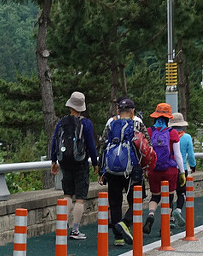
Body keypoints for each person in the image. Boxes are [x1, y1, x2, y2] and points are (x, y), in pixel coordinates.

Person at [49, 91, 99, 240]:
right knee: (80, 197)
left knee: (67, 195)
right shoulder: (86, 123)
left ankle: (63, 225)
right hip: (80, 163)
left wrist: (54, 161)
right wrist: (95, 163)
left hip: (65, 162)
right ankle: (75, 230)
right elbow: (91, 145)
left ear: (70, 106)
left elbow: (54, 142)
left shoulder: (61, 122)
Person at [98, 97, 145, 245]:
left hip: (112, 169)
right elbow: (146, 145)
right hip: (133, 169)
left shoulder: (111, 123)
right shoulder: (137, 123)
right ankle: (126, 223)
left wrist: (101, 171)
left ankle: (118, 237)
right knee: (137, 199)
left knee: (115, 202)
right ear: (132, 111)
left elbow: (103, 146)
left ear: (118, 110)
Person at [143, 103, 185, 235]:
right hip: (170, 170)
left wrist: (145, 169)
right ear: (168, 118)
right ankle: (164, 227)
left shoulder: (149, 131)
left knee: (155, 196)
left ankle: (151, 215)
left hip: (153, 170)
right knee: (169, 197)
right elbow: (178, 155)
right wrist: (182, 172)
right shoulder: (172, 133)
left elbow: (145, 152)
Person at [170, 111, 194, 228]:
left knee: (169, 194)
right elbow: (191, 154)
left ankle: (169, 217)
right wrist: (193, 166)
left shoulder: (168, 135)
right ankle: (178, 210)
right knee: (181, 193)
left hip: (169, 169)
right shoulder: (187, 137)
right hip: (182, 169)